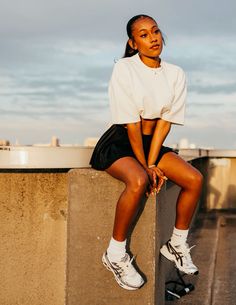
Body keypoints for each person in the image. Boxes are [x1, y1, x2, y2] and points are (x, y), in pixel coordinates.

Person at [90, 14, 203, 291]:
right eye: (143, 34)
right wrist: (146, 167)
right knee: (139, 180)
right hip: (119, 142)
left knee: (194, 179)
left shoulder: (176, 73)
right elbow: (131, 124)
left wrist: (152, 161)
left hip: (152, 142)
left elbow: (164, 124)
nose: (152, 37)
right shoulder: (125, 69)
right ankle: (115, 253)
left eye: (155, 31)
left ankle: (176, 243)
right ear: (133, 42)